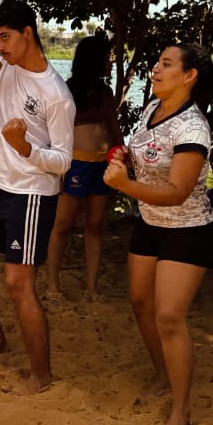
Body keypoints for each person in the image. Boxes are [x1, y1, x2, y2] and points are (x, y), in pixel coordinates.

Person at [104, 44, 213, 425]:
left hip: (188, 230)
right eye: (156, 62)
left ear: (189, 75)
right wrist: (123, 158)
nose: (155, 69)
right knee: (141, 303)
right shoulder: (152, 108)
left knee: (169, 316)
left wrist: (125, 185)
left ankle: (181, 410)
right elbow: (145, 153)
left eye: (166, 64)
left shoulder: (193, 128)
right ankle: (164, 376)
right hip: (150, 223)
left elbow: (179, 190)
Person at [0, 0, 75, 394]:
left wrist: (24, 148)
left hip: (32, 194)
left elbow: (62, 161)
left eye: (5, 37)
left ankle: (41, 375)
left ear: (28, 32)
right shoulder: (3, 68)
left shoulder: (56, 94)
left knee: (17, 283)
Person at [46, 32, 123, 302]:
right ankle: (52, 285)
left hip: (101, 165)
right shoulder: (67, 89)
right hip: (74, 163)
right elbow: (55, 132)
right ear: (95, 60)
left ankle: (92, 287)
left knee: (95, 225)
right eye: (107, 58)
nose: (111, 63)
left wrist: (121, 155)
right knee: (63, 224)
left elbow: (113, 126)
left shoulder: (104, 92)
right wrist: (57, 169)